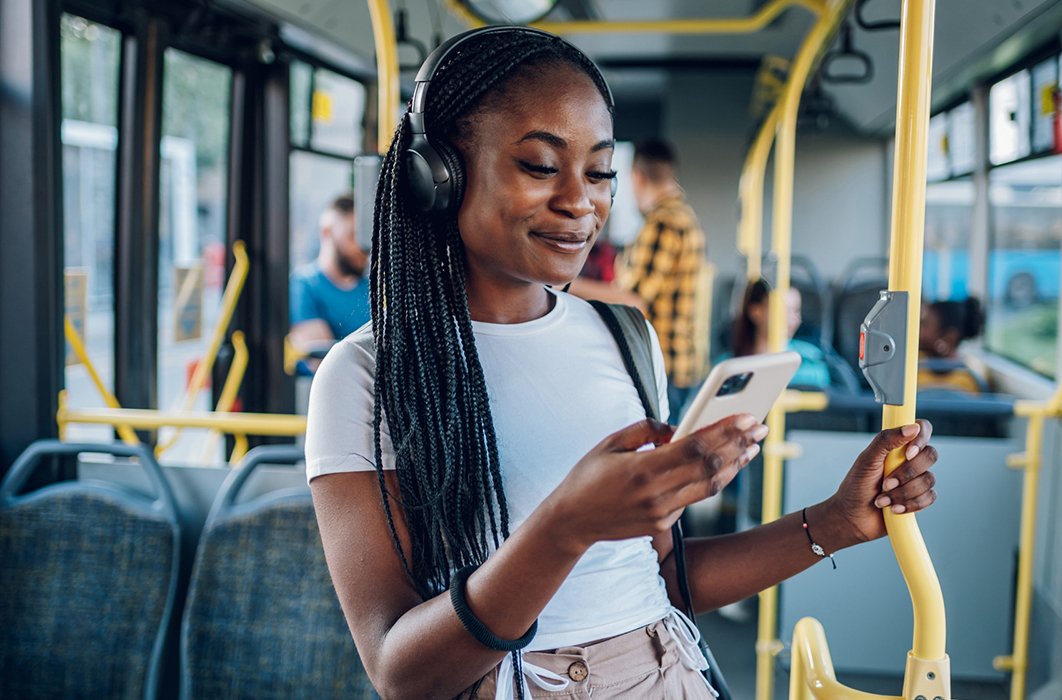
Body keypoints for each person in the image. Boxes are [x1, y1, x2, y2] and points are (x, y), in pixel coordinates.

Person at [306, 26, 939, 700]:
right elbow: (399, 672)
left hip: (668, 673)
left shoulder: (625, 335)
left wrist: (835, 521)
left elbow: (661, 580)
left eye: (601, 170)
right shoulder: (366, 375)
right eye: (540, 167)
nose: (581, 201)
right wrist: (567, 526)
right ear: (439, 176)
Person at [612, 139, 710, 417]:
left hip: (663, 363)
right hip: (682, 364)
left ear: (637, 177)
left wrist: (569, 287)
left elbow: (634, 299)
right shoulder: (686, 218)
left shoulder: (663, 223)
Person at [288, 193, 371, 366]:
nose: (363, 247)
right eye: (353, 236)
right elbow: (322, 363)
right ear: (327, 232)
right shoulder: (304, 285)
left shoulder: (372, 290)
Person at [727, 277, 832, 389]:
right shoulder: (729, 367)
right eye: (784, 310)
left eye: (796, 311)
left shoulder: (813, 359)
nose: (793, 319)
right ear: (756, 312)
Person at [917, 297, 988, 394]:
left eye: (924, 325)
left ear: (948, 338)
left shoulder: (970, 380)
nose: (917, 330)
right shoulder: (912, 363)